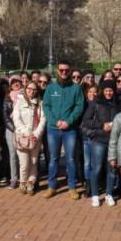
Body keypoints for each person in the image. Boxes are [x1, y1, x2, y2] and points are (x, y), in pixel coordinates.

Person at [42, 60, 85, 199]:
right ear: (57, 71)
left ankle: (72, 187)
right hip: (53, 129)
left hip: (69, 129)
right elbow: (46, 106)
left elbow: (79, 107)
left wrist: (68, 121)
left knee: (70, 159)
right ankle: (52, 186)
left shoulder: (76, 88)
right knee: (53, 158)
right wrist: (55, 121)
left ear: (70, 71)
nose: (64, 72)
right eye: (61, 70)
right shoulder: (50, 88)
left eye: (67, 70)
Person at [81, 80, 119, 207]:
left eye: (111, 90)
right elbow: (86, 121)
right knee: (96, 169)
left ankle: (109, 194)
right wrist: (102, 126)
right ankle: (95, 195)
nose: (108, 92)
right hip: (99, 140)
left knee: (112, 169)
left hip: (114, 142)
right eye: (106, 90)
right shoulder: (95, 103)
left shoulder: (118, 104)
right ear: (102, 91)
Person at [13, 81, 47, 195]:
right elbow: (16, 119)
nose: (31, 91)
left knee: (33, 161)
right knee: (24, 162)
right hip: (22, 136)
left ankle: (30, 183)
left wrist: (36, 134)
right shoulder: (19, 101)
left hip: (35, 138)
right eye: (29, 89)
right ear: (25, 89)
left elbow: (43, 119)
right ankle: (22, 182)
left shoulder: (40, 103)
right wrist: (27, 132)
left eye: (34, 89)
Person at [80, 84, 99, 196]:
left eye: (95, 91)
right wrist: (89, 132)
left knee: (95, 164)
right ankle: (88, 185)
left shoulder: (100, 105)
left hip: (97, 138)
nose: (92, 94)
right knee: (87, 163)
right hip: (86, 138)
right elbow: (81, 123)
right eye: (90, 91)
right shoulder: (83, 105)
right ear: (87, 93)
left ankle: (94, 183)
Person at [3, 80, 20, 189]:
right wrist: (14, 129)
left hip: (23, 130)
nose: (16, 84)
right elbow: (5, 117)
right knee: (13, 155)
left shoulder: (25, 97)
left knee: (23, 155)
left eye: (18, 82)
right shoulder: (7, 99)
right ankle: (14, 178)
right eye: (14, 83)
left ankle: (24, 178)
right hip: (11, 130)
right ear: (10, 86)